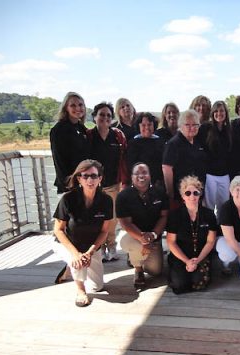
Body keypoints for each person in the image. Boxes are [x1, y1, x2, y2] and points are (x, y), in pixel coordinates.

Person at [52, 159, 113, 307]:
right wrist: (75, 254)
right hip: (66, 243)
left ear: (100, 178)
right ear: (79, 178)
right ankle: (80, 291)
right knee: (78, 262)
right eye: (85, 176)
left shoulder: (106, 200)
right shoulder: (68, 199)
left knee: (97, 287)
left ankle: (70, 267)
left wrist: (90, 252)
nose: (89, 180)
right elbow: (58, 230)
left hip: (91, 246)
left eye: (93, 176)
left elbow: (105, 231)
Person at [87, 102, 129, 262]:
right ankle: (100, 247)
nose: (105, 118)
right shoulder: (89, 136)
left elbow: (124, 159)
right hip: (93, 186)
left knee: (111, 219)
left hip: (113, 183)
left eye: (108, 116)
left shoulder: (117, 136)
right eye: (101, 115)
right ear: (94, 117)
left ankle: (111, 245)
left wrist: (125, 181)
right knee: (96, 218)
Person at [117, 163, 169, 288]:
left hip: (153, 236)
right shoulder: (123, 196)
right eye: (137, 173)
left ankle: (141, 254)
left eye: (144, 173)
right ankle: (138, 268)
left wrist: (153, 235)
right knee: (134, 245)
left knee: (155, 271)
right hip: (133, 236)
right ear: (132, 177)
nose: (141, 176)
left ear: (150, 175)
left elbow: (164, 216)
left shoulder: (160, 192)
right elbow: (125, 223)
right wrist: (142, 238)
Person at [165, 176, 217, 294]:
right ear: (183, 196)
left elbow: (211, 241)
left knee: (199, 283)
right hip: (181, 256)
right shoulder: (175, 215)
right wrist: (187, 261)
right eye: (187, 193)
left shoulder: (209, 214)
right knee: (179, 285)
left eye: (195, 193)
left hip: (201, 255)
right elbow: (171, 242)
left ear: (200, 195)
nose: (192, 196)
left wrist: (197, 260)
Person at [162, 109, 207, 208]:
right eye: (188, 125)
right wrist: (171, 194)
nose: (192, 128)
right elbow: (167, 169)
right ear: (181, 125)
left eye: (195, 125)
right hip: (180, 197)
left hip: (196, 194)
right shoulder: (173, 144)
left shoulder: (196, 142)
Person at [50, 92, 90, 194]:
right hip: (71, 184)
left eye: (80, 105)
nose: (77, 108)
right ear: (66, 108)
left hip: (85, 180)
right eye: (73, 105)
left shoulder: (81, 127)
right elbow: (59, 160)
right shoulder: (58, 130)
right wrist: (68, 184)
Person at [196, 100, 232, 211]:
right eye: (216, 111)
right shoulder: (205, 128)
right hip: (210, 175)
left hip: (225, 175)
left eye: (221, 111)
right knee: (208, 207)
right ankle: (209, 228)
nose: (219, 113)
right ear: (212, 113)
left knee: (224, 206)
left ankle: (222, 228)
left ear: (225, 113)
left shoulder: (229, 130)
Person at [127, 112, 165, 189]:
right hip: (139, 182)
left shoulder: (160, 141)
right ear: (139, 127)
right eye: (143, 125)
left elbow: (163, 162)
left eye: (149, 124)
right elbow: (131, 165)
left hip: (158, 182)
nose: (147, 127)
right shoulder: (133, 143)